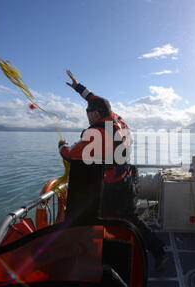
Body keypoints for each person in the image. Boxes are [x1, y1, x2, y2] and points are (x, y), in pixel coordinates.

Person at [58, 70, 169, 270]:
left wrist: (61, 147)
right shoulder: (117, 118)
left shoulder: (98, 133)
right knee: (129, 217)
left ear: (96, 114)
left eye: (89, 114)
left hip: (114, 187)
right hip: (127, 178)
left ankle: (114, 265)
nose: (88, 118)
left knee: (108, 222)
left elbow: (72, 155)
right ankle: (158, 251)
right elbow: (95, 98)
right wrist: (78, 87)